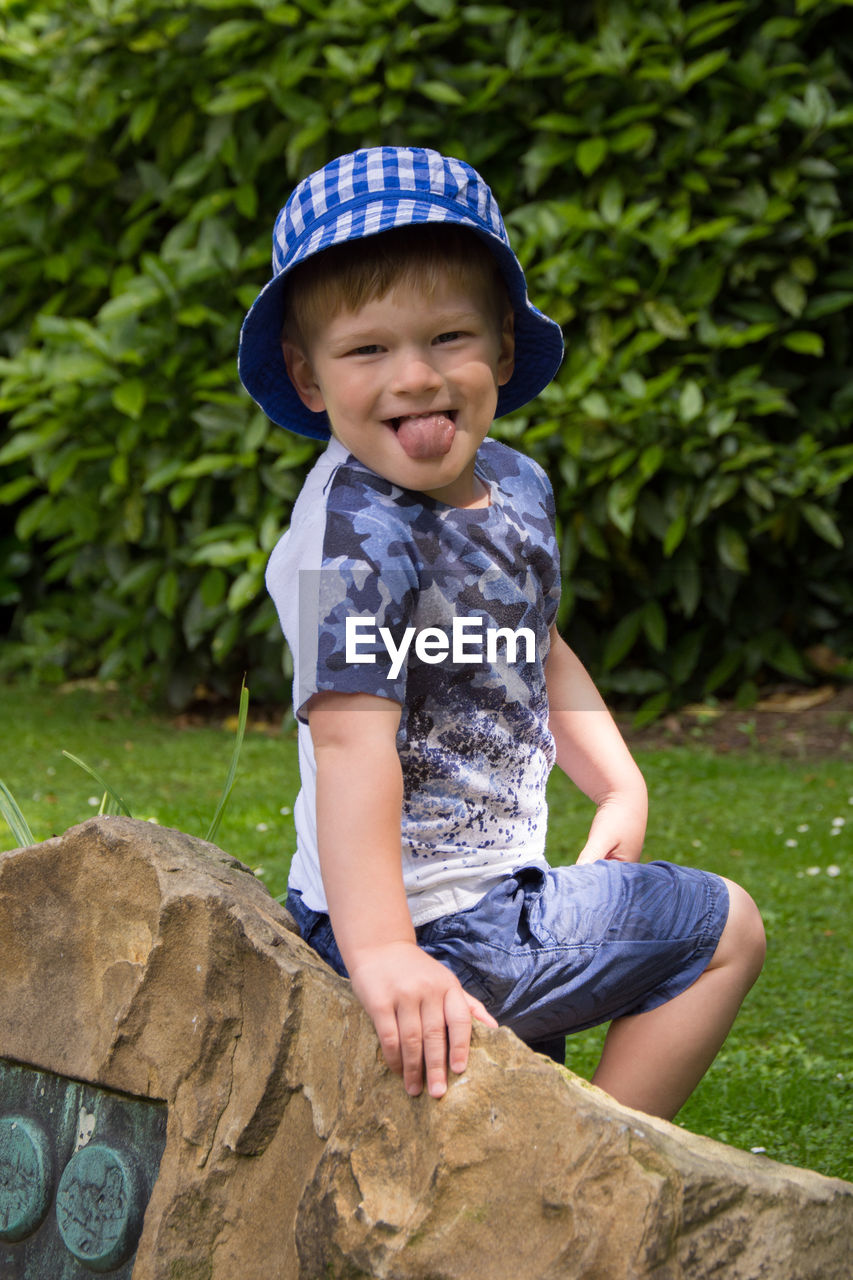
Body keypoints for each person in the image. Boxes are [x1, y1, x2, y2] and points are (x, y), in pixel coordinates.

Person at [238, 146, 765, 1120]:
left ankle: (547, 1193)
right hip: (429, 918)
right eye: (368, 350)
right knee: (726, 928)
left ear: (505, 350)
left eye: (449, 336)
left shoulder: (516, 486)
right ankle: (608, 1175)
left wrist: (616, 778)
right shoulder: (352, 535)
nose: (416, 378)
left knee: (495, 1127)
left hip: (486, 890)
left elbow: (533, 640)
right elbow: (350, 739)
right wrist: (386, 949)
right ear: (308, 378)